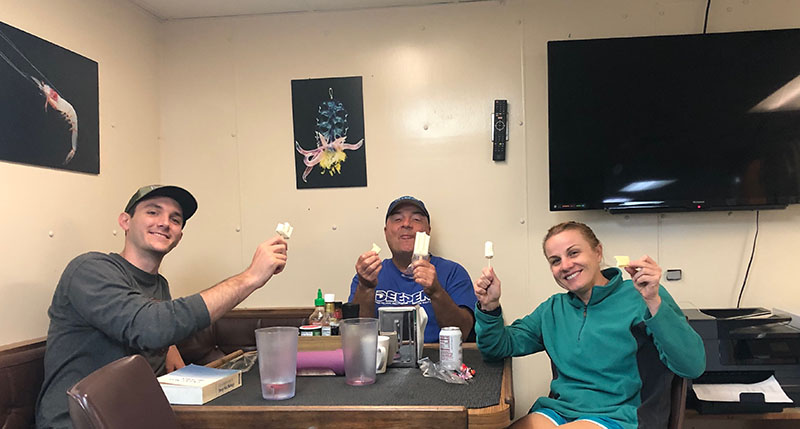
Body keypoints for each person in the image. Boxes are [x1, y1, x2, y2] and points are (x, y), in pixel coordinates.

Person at [36, 185, 288, 429]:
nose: (165, 223)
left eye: (175, 219)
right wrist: (250, 277)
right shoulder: (90, 269)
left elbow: (153, 327)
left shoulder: (159, 286)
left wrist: (168, 344)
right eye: (153, 212)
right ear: (125, 221)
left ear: (179, 236)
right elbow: (150, 326)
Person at [473, 221, 705, 429]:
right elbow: (497, 347)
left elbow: (692, 366)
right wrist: (490, 306)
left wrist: (654, 301)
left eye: (573, 253)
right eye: (555, 261)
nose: (565, 265)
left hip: (623, 417)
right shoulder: (553, 310)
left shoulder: (641, 296)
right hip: (559, 412)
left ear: (597, 252)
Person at [348, 196, 477, 343]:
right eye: (397, 219)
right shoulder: (367, 275)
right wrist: (365, 287)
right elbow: (355, 338)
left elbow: (464, 332)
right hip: (381, 361)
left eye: (416, 219)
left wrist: (436, 292)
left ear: (428, 231)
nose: (406, 224)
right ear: (386, 232)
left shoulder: (453, 272)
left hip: (440, 361)